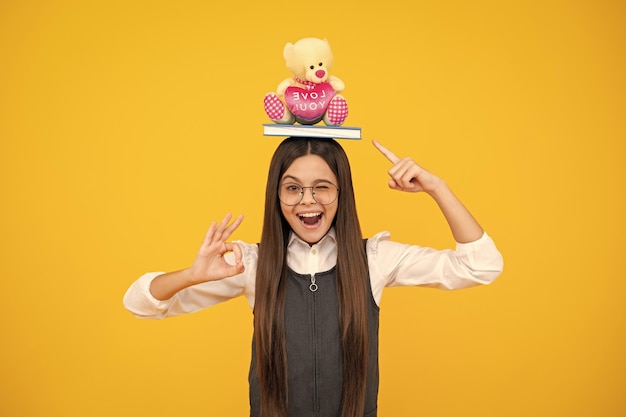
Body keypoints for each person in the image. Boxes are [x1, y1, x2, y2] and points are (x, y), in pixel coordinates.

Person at [123, 137, 503, 417]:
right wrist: (191, 275)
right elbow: (139, 303)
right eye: (292, 189)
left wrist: (437, 188)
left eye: (322, 187)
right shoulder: (251, 264)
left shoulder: (374, 258)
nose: (307, 200)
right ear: (276, 195)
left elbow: (481, 266)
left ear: (342, 193)